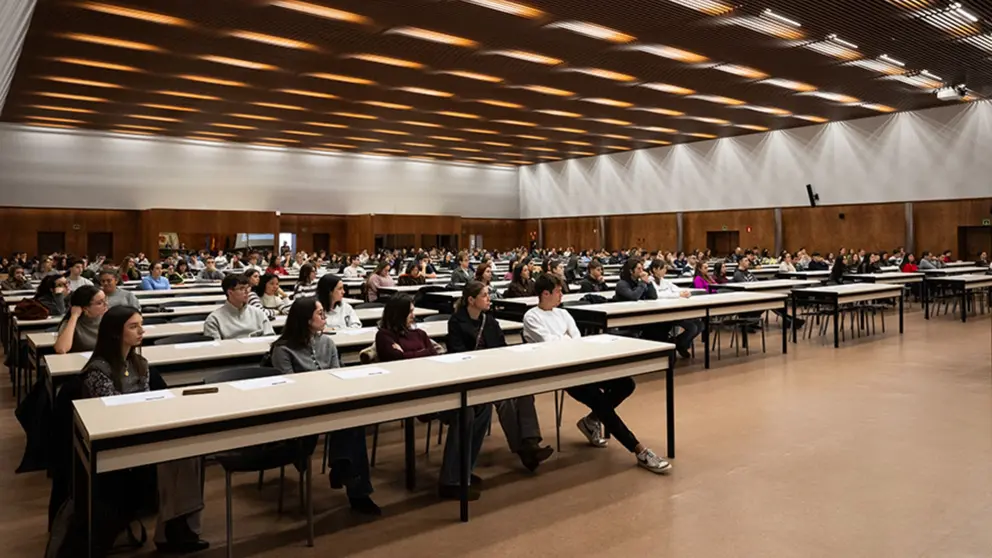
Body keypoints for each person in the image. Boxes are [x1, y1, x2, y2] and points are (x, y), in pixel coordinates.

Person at [80, 305, 209, 553]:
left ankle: (178, 524)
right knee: (177, 457)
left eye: (141, 324)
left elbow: (146, 400)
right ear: (115, 332)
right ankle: (174, 527)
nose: (142, 331)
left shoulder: (139, 362)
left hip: (143, 430)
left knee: (190, 450)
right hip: (115, 440)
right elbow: (110, 413)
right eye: (133, 326)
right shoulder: (98, 370)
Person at [522, 274, 671, 474]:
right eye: (558, 291)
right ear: (545, 294)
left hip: (583, 364)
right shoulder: (531, 316)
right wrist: (565, 339)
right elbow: (550, 344)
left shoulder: (563, 314)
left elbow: (577, 339)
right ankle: (639, 449)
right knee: (600, 402)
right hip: (559, 372)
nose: (561, 295)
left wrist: (564, 339)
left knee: (626, 384)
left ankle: (591, 421)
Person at [270, 298, 380, 515]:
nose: (325, 317)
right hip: (299, 409)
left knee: (353, 420)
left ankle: (347, 474)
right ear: (306, 320)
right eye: (320, 314)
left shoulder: (327, 343)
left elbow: (337, 375)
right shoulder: (283, 350)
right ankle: (347, 474)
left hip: (330, 402)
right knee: (349, 424)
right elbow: (288, 387)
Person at [375, 295, 488, 500]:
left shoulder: (419, 333)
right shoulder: (384, 336)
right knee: (465, 412)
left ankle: (463, 470)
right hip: (408, 393)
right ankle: (450, 481)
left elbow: (433, 353)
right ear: (398, 314)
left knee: (483, 407)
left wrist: (411, 354)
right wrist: (421, 352)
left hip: (435, 386)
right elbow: (397, 361)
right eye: (409, 312)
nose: (413, 315)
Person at [447, 282, 553, 471]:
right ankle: (524, 450)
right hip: (473, 376)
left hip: (496, 371)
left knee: (524, 392)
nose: (489, 299)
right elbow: (458, 353)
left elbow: (502, 348)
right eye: (484, 295)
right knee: (505, 401)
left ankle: (531, 442)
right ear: (471, 300)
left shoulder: (490, 321)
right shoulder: (456, 322)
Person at [647, 260, 700, 358]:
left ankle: (679, 344)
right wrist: (677, 295)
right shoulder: (649, 282)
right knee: (693, 327)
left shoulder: (664, 281)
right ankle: (676, 344)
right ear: (654, 269)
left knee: (700, 324)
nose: (665, 270)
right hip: (661, 314)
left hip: (675, 310)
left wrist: (685, 292)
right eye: (663, 268)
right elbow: (657, 295)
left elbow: (676, 289)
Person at [204, 274, 275, 340]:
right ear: (230, 292)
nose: (247, 292)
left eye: (248, 288)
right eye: (242, 288)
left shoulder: (258, 313)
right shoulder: (214, 319)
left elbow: (270, 339)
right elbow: (216, 346)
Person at [54, 285, 107, 354]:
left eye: (105, 300)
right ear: (85, 308)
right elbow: (61, 349)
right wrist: (74, 316)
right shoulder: (71, 323)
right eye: (99, 303)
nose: (106, 304)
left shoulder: (106, 319)